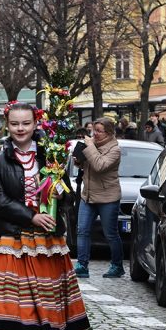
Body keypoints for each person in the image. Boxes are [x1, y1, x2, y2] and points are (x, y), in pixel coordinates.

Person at [0, 103, 91, 330]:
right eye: (15, 124)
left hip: (44, 242)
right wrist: (32, 216)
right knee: (17, 306)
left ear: (34, 124)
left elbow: (66, 194)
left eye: (26, 124)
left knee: (37, 304)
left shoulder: (49, 155)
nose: (20, 129)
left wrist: (60, 192)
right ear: (7, 125)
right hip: (10, 238)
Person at [74, 117, 124, 279]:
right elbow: (88, 165)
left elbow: (99, 165)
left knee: (110, 234)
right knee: (82, 231)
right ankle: (82, 265)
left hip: (107, 197)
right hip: (88, 195)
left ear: (109, 133)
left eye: (99, 131)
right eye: (94, 130)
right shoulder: (92, 144)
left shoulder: (114, 149)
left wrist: (89, 148)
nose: (95, 134)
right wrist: (79, 161)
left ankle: (117, 266)